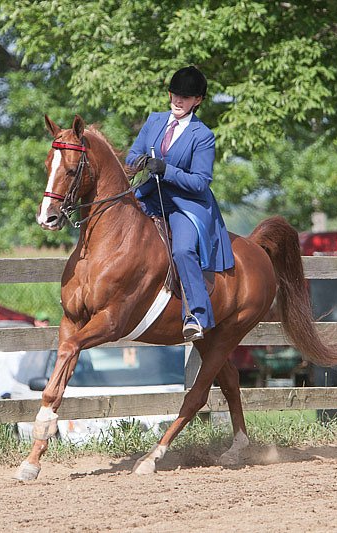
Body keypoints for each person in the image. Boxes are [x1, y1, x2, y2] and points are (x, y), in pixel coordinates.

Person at [126, 66, 235, 342]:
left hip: (185, 203)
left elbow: (200, 182)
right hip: (150, 194)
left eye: (185, 98)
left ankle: (196, 315)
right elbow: (133, 155)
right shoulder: (154, 120)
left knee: (184, 250)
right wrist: (137, 162)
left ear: (197, 100)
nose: (177, 100)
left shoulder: (203, 135)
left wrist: (165, 169)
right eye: (175, 94)